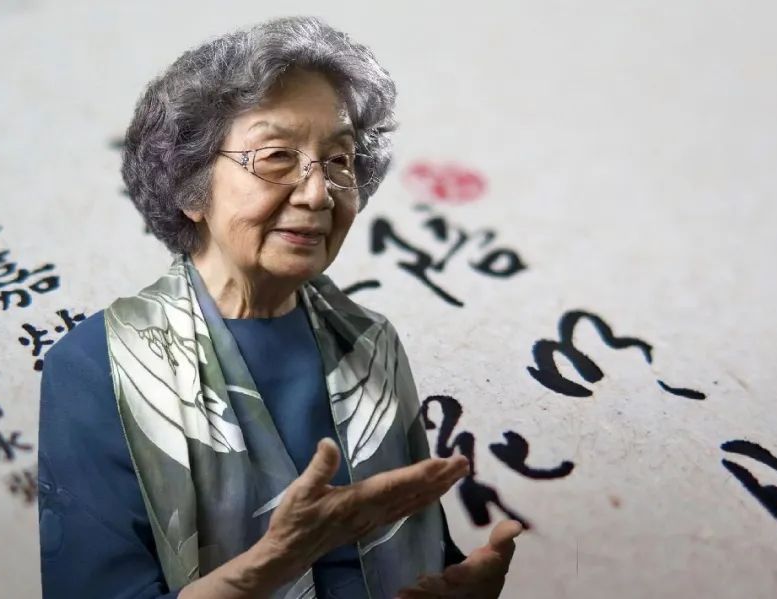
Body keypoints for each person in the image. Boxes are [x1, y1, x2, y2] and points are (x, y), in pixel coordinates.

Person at [37, 15, 522, 599]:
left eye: (339, 161)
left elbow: (413, 544)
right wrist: (271, 563)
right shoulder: (98, 364)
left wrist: (457, 584)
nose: (317, 193)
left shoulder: (369, 342)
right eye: (275, 157)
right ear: (190, 186)